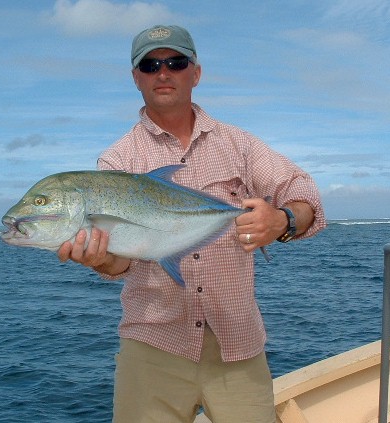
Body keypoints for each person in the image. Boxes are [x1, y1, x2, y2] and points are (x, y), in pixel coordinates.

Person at [58, 24, 326, 423]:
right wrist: (98, 259)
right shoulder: (116, 162)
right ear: (136, 78)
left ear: (195, 73)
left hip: (238, 347)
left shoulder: (239, 144)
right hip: (153, 348)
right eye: (149, 65)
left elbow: (303, 191)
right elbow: (121, 262)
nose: (162, 72)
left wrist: (283, 219)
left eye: (175, 62)